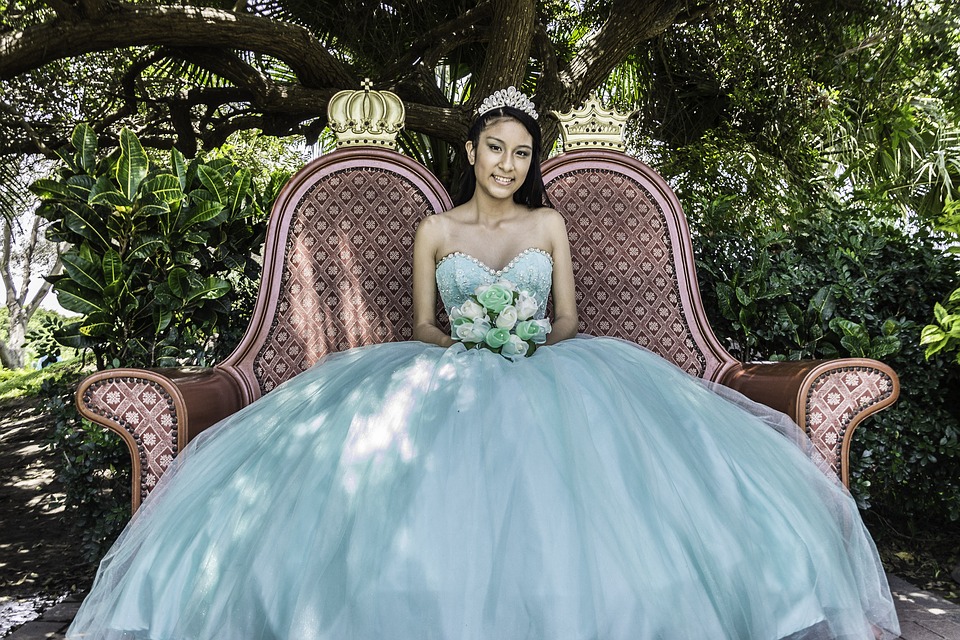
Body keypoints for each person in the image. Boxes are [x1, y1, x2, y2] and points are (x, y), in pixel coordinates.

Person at [67, 88, 900, 640]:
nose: (507, 165)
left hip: (550, 366)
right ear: (470, 150)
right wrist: (470, 336)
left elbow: (570, 316)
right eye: (495, 148)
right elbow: (422, 325)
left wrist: (525, 334)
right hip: (448, 368)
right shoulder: (437, 232)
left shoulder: (548, 228)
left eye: (520, 154)